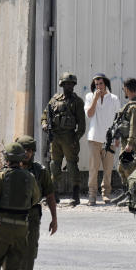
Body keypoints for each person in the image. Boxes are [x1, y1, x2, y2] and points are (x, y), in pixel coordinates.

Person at [9, 135, 59, 270]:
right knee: (11, 256)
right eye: (24, 150)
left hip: (31, 218)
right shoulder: (9, 167)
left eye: (30, 150)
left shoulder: (40, 171)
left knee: (29, 256)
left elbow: (50, 195)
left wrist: (54, 219)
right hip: (11, 218)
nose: (27, 153)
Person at [41, 72, 86, 205]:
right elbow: (45, 115)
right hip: (55, 137)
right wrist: (44, 124)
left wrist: (75, 139)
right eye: (67, 84)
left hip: (69, 137)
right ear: (62, 84)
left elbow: (82, 125)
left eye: (71, 84)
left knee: (72, 166)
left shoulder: (77, 102)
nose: (69, 86)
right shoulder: (54, 100)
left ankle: (75, 195)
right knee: (54, 166)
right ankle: (54, 195)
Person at [84, 73, 119, 204]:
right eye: (96, 84)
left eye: (101, 84)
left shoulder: (114, 98)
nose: (98, 86)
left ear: (106, 84)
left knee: (108, 168)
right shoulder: (89, 96)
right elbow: (89, 114)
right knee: (93, 168)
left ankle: (106, 193)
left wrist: (117, 136)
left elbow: (118, 119)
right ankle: (92, 195)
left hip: (109, 139)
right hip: (94, 138)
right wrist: (95, 99)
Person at [114, 78, 136, 204]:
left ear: (127, 89)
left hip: (131, 143)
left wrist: (130, 142)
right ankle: (126, 192)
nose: (124, 91)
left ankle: (133, 196)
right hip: (125, 142)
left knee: (130, 169)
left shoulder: (135, 107)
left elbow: (134, 126)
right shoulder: (129, 105)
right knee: (121, 168)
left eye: (124, 89)